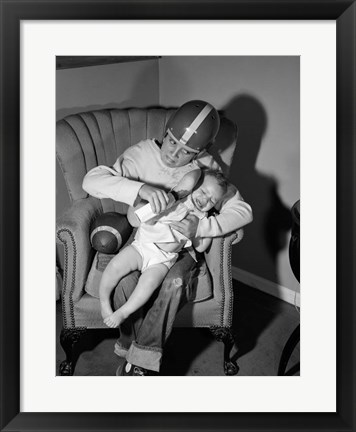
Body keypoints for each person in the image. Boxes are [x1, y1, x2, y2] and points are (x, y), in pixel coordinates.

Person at [82, 100, 253, 376]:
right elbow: (91, 181)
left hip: (182, 248)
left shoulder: (208, 167)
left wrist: (202, 229)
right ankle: (129, 344)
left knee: (174, 283)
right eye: (172, 143)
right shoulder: (139, 155)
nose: (174, 155)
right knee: (124, 282)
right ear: (166, 131)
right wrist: (140, 189)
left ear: (202, 151)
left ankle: (141, 364)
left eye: (187, 152)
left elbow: (242, 211)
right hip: (147, 236)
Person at [100, 169, 228, 329]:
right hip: (142, 246)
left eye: (212, 200)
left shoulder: (202, 219)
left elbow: (200, 246)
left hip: (163, 259)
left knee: (149, 283)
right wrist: (173, 197)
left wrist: (204, 229)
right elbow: (146, 216)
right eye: (202, 191)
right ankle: (104, 303)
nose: (204, 199)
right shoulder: (173, 199)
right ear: (193, 187)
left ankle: (123, 312)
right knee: (115, 266)